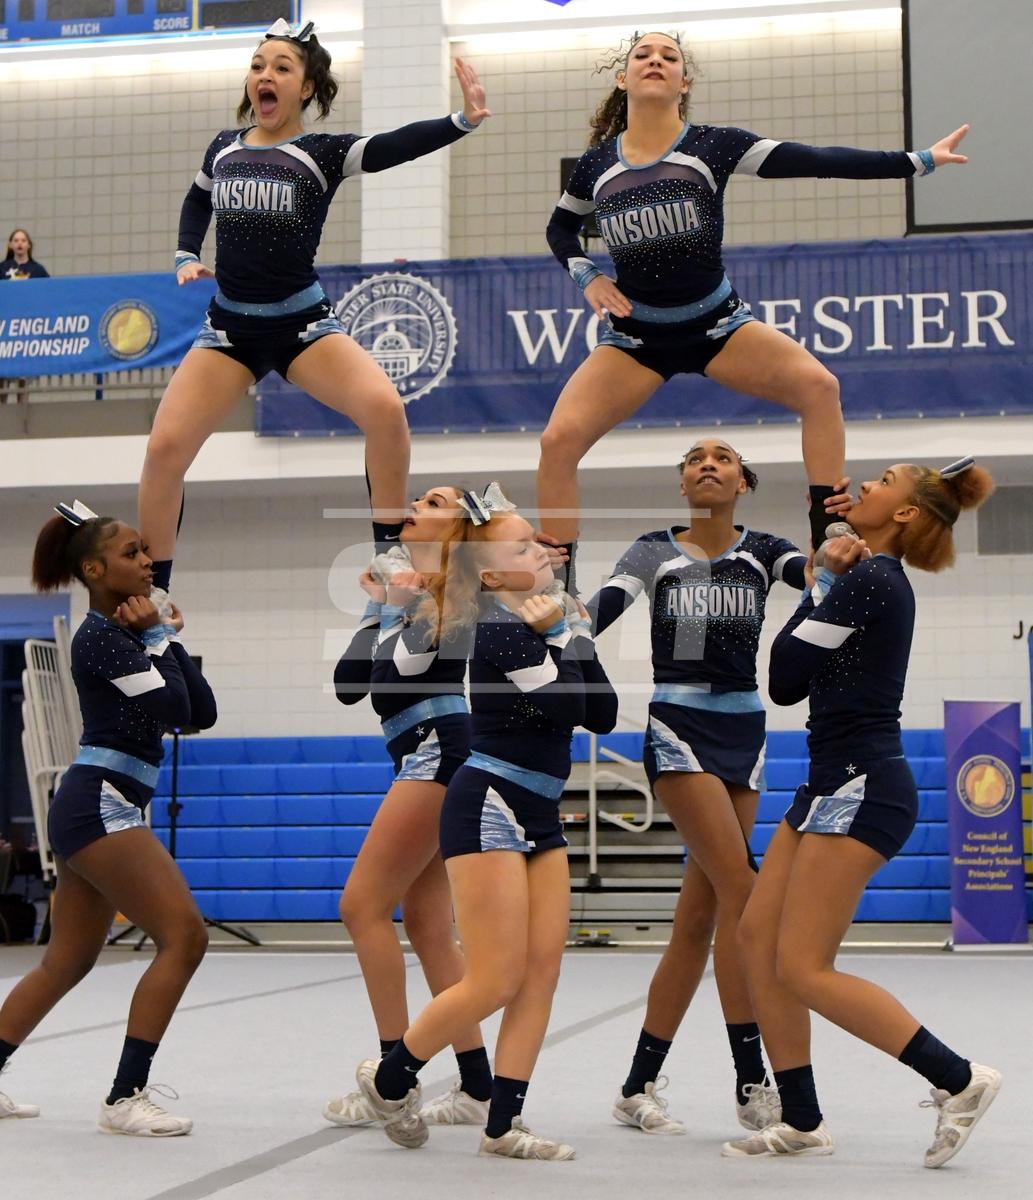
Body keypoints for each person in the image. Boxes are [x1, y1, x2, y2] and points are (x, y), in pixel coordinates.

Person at [539, 29, 970, 583]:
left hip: (717, 326)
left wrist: (917, 161)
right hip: (636, 337)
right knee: (557, 442)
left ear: (683, 82)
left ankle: (826, 537)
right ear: (623, 78)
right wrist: (588, 276)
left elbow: (817, 160)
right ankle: (560, 585)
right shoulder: (596, 165)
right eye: (643, 55)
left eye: (669, 56)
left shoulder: (714, 146)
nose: (656, 61)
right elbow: (560, 228)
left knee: (820, 388)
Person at [138, 18, 490, 602]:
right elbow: (198, 198)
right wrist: (185, 253)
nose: (265, 75)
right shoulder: (224, 147)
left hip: (302, 326)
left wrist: (461, 121)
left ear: (305, 88)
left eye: (282, 67)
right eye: (258, 66)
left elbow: (391, 146)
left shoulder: (321, 152)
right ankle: (153, 590)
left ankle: (389, 553)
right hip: (229, 329)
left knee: (385, 410)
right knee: (163, 451)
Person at [727, 458, 1001, 1167]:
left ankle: (958, 1078)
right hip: (827, 783)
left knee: (803, 967)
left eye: (883, 481)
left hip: (861, 785)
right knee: (757, 938)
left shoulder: (873, 579)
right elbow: (794, 680)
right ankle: (802, 1118)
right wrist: (825, 572)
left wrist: (819, 578)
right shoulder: (865, 576)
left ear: (904, 514)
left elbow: (783, 677)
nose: (865, 486)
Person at [586, 438, 849, 1136]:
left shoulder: (763, 550)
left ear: (743, 482)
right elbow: (598, 611)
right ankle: (753, 1079)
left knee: (699, 922)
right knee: (745, 896)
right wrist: (548, 607)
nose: (707, 463)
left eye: (723, 457)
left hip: (744, 730)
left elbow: (817, 572)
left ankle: (636, 1086)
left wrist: (834, 527)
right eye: (695, 459)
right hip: (678, 724)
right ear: (681, 483)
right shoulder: (652, 550)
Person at [356, 488, 618, 1160]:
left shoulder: (541, 623)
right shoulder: (501, 630)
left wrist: (571, 632)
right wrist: (565, 635)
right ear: (493, 576)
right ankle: (391, 1077)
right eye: (523, 546)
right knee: (495, 978)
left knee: (541, 973)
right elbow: (567, 705)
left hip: (540, 809)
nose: (543, 551)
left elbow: (605, 713)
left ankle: (503, 1123)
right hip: (490, 803)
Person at [0, 501, 216, 1135]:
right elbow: (176, 710)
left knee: (67, 960)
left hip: (101, 802)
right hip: (100, 802)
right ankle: (125, 1097)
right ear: (94, 570)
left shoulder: (128, 634)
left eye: (145, 550)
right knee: (186, 937)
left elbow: (202, 712)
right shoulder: (100, 637)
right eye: (132, 553)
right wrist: (157, 638)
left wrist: (166, 635)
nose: (148, 562)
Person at [324, 486, 492, 1129]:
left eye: (436, 500)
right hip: (423, 750)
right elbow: (348, 686)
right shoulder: (412, 591)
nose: (418, 502)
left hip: (437, 749)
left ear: (458, 528)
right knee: (426, 924)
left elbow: (390, 680)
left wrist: (395, 603)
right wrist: (379, 606)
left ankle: (394, 1078)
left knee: (361, 905)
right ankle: (476, 1086)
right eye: (419, 496)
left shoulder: (453, 592)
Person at [0, 228, 50, 404]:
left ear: (29, 245)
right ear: (10, 245)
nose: (19, 243)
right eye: (16, 240)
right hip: (5, 328)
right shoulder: (2, 268)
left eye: (23, 240)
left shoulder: (38, 270)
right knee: (2, 374)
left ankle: (22, 411)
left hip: (27, 328)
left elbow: (50, 293)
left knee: (23, 374)